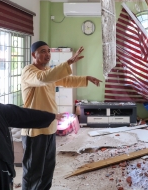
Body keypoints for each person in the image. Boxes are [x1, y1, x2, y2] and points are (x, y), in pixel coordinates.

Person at [21, 41, 101, 190]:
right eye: (43, 51)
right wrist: (69, 62)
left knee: (47, 169)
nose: (47, 54)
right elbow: (42, 79)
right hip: (35, 131)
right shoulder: (29, 72)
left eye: (48, 51)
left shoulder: (47, 72)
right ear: (34, 55)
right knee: (33, 171)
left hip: (49, 128)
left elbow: (65, 80)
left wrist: (86, 78)